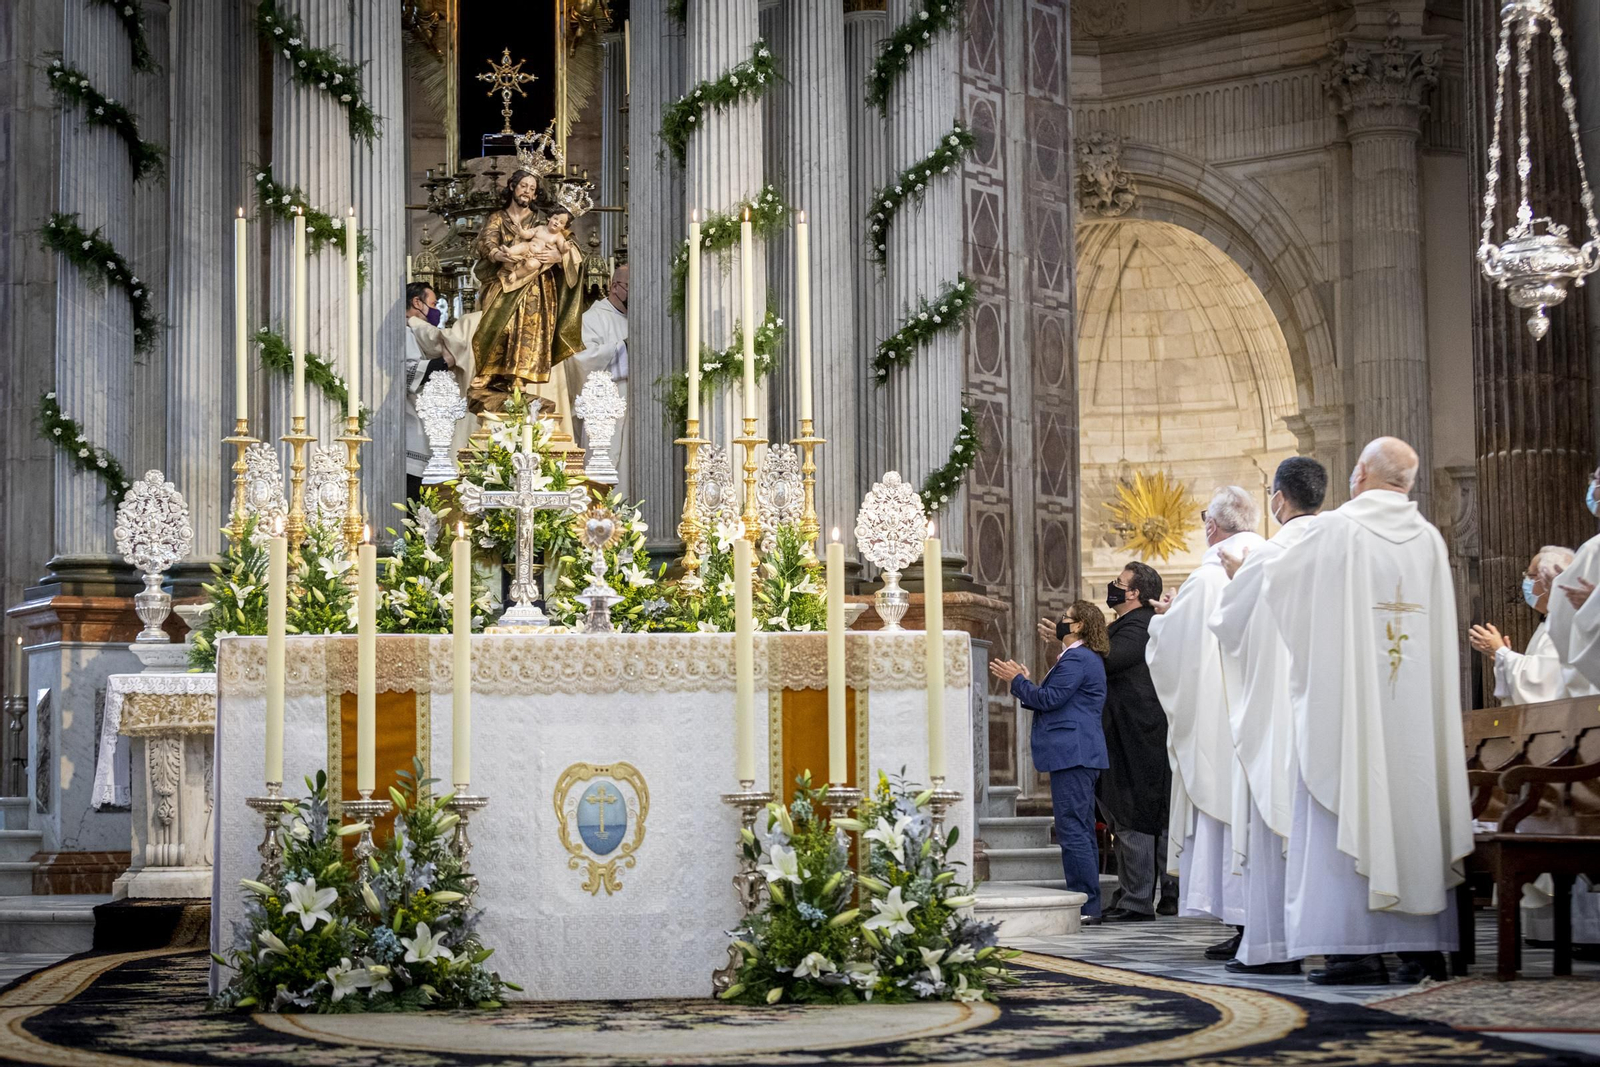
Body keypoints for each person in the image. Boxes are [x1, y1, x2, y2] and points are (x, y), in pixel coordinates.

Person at [1260, 437, 1471, 985]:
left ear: (1360, 474)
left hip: (1346, 713)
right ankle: (1421, 948)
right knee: (1411, 805)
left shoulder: (1335, 529)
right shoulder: (1427, 540)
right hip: (1414, 720)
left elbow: (1282, 592)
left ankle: (1353, 950)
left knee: (1344, 798)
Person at [1208, 456, 1328, 975]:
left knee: (1273, 826)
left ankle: (1274, 947)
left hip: (1278, 716)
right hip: (1330, 714)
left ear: (1279, 497)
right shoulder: (1341, 543)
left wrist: (1237, 582)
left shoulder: (1265, 555)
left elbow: (1227, 629)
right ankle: (1336, 940)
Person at [1146, 485, 1265, 961]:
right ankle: (1256, 924)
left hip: (1221, 728)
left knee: (1228, 822)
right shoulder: (1269, 557)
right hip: (1262, 720)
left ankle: (1243, 924)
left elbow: (1173, 651)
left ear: (1212, 526)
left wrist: (1162, 621)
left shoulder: (1209, 574)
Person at [991, 601, 1111, 922]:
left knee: (1073, 830)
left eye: (1065, 619)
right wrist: (1027, 682)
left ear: (1080, 626)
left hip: (1074, 753)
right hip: (1077, 753)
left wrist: (1018, 681)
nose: (1060, 622)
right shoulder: (1077, 658)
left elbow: (1048, 699)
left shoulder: (1078, 658)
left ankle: (1084, 903)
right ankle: (1087, 902)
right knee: (1079, 828)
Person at [1076, 560, 1177, 922]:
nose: (1113, 587)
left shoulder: (1140, 625)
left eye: (1119, 583)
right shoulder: (1127, 624)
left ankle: (1137, 900)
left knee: (1133, 810)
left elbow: (1110, 661)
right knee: (1136, 812)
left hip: (1137, 732)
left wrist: (1075, 642)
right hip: (1128, 730)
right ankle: (1150, 894)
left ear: (1133, 593)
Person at [468, 170, 585, 414]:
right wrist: (496, 254)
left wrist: (557, 257)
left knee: (528, 332)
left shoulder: (545, 221)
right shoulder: (498, 218)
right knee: (498, 326)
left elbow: (570, 247)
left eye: (532, 188)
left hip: (536, 289)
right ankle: (489, 373)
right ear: (512, 186)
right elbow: (486, 241)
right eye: (523, 185)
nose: (527, 192)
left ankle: (518, 380)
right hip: (503, 281)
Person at [1468, 546, 1574, 705]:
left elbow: (1541, 684)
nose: (1525, 582)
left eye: (1530, 576)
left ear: (1548, 581)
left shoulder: (1567, 623)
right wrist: (1503, 657)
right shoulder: (1550, 620)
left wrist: (1502, 652)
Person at [568, 263, 629, 491]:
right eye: (630, 287)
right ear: (614, 287)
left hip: (631, 409)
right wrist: (622, 348)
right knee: (604, 469)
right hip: (603, 412)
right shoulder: (592, 318)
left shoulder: (637, 319)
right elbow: (580, 360)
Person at [403, 281, 455, 500]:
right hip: (409, 425)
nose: (435, 311)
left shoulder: (415, 332)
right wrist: (448, 360)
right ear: (417, 302)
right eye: (433, 304)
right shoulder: (403, 331)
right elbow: (409, 372)